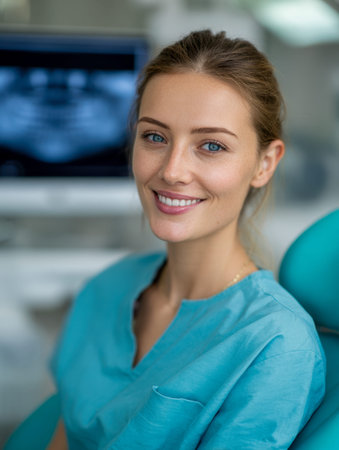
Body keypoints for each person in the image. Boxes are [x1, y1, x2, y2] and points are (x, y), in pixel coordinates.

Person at [48, 30, 326, 449]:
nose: (172, 171)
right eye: (155, 137)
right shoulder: (106, 290)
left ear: (264, 164)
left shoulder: (275, 344)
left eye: (211, 145)